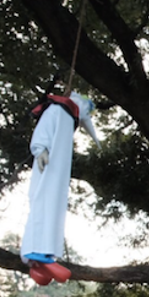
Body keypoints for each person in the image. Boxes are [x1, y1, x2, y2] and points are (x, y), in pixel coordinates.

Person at [21, 92, 101, 286]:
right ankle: (36, 250)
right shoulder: (58, 109)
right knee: (44, 200)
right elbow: (43, 129)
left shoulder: (69, 116)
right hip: (48, 165)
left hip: (59, 171)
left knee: (55, 206)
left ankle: (45, 254)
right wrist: (40, 149)